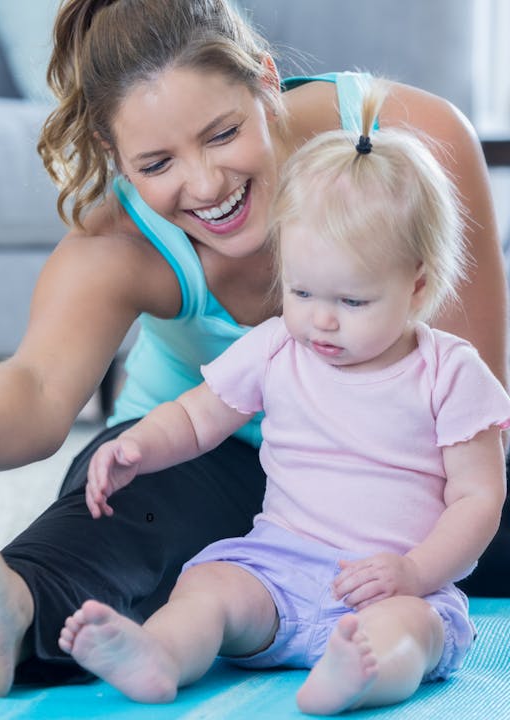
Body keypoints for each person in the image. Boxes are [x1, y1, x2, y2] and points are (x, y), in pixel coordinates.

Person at [0, 0, 508, 698]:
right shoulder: (117, 246)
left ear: (265, 81)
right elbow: (38, 385)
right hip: (209, 461)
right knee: (129, 502)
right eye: (157, 162)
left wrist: (410, 555)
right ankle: (5, 614)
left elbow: (471, 409)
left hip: (402, 470)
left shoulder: (406, 145)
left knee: (479, 511)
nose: (206, 184)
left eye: (221, 134)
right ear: (114, 157)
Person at [57, 82, 510, 715]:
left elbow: (479, 497)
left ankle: (358, 677)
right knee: (209, 589)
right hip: (278, 571)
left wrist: (417, 573)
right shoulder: (277, 347)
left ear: (417, 286)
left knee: (411, 633)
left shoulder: (450, 371)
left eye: (352, 302)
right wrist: (139, 446)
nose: (321, 321)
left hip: (395, 584)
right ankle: (157, 654)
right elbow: (196, 418)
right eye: (301, 293)